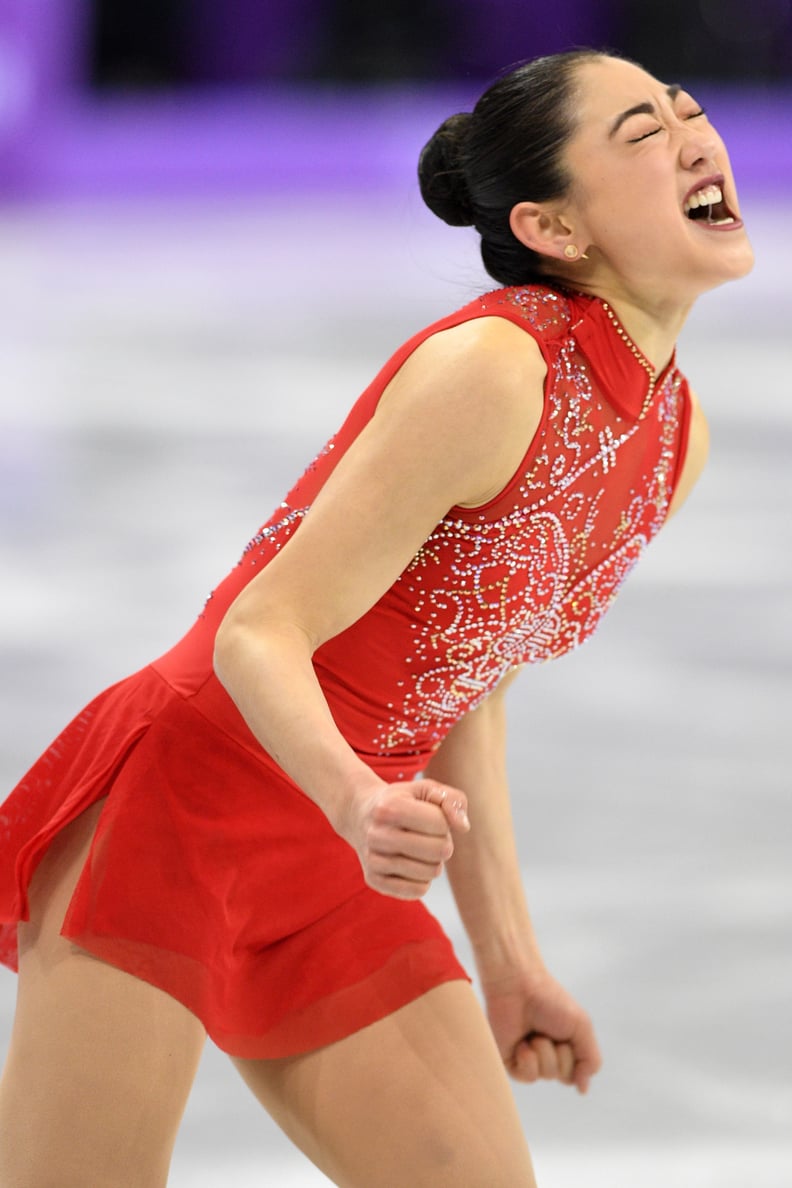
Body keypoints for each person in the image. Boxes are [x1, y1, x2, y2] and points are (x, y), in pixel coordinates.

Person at [0, 48, 753, 1188]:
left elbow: (473, 675)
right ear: (554, 227)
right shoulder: (494, 370)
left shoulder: (672, 439)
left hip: (345, 861)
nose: (697, 139)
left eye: (690, 112)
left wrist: (508, 962)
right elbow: (260, 629)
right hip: (183, 811)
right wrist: (356, 797)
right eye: (643, 134)